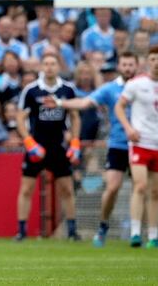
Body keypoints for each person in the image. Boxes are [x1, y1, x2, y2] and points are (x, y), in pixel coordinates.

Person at [42, 52, 138, 247]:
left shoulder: (146, 86)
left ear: (137, 66)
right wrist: (60, 103)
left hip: (144, 144)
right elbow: (84, 103)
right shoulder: (110, 89)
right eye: (124, 64)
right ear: (119, 66)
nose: (128, 68)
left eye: (131, 64)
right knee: (112, 188)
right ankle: (103, 227)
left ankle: (142, 233)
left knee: (143, 188)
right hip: (119, 144)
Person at [14, 53, 81, 241]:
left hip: (58, 146)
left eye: (53, 63)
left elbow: (75, 116)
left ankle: (72, 231)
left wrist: (75, 141)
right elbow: (20, 117)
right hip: (36, 146)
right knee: (26, 189)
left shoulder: (67, 89)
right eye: (46, 63)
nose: (50, 67)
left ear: (58, 66)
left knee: (67, 188)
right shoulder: (32, 90)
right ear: (41, 67)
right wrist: (28, 142)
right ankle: (21, 231)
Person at [114, 46, 158, 248]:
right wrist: (128, 128)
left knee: (156, 192)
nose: (156, 63)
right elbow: (119, 106)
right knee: (141, 185)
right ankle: (135, 233)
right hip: (140, 142)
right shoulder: (136, 84)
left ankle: (153, 236)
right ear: (147, 61)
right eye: (153, 59)